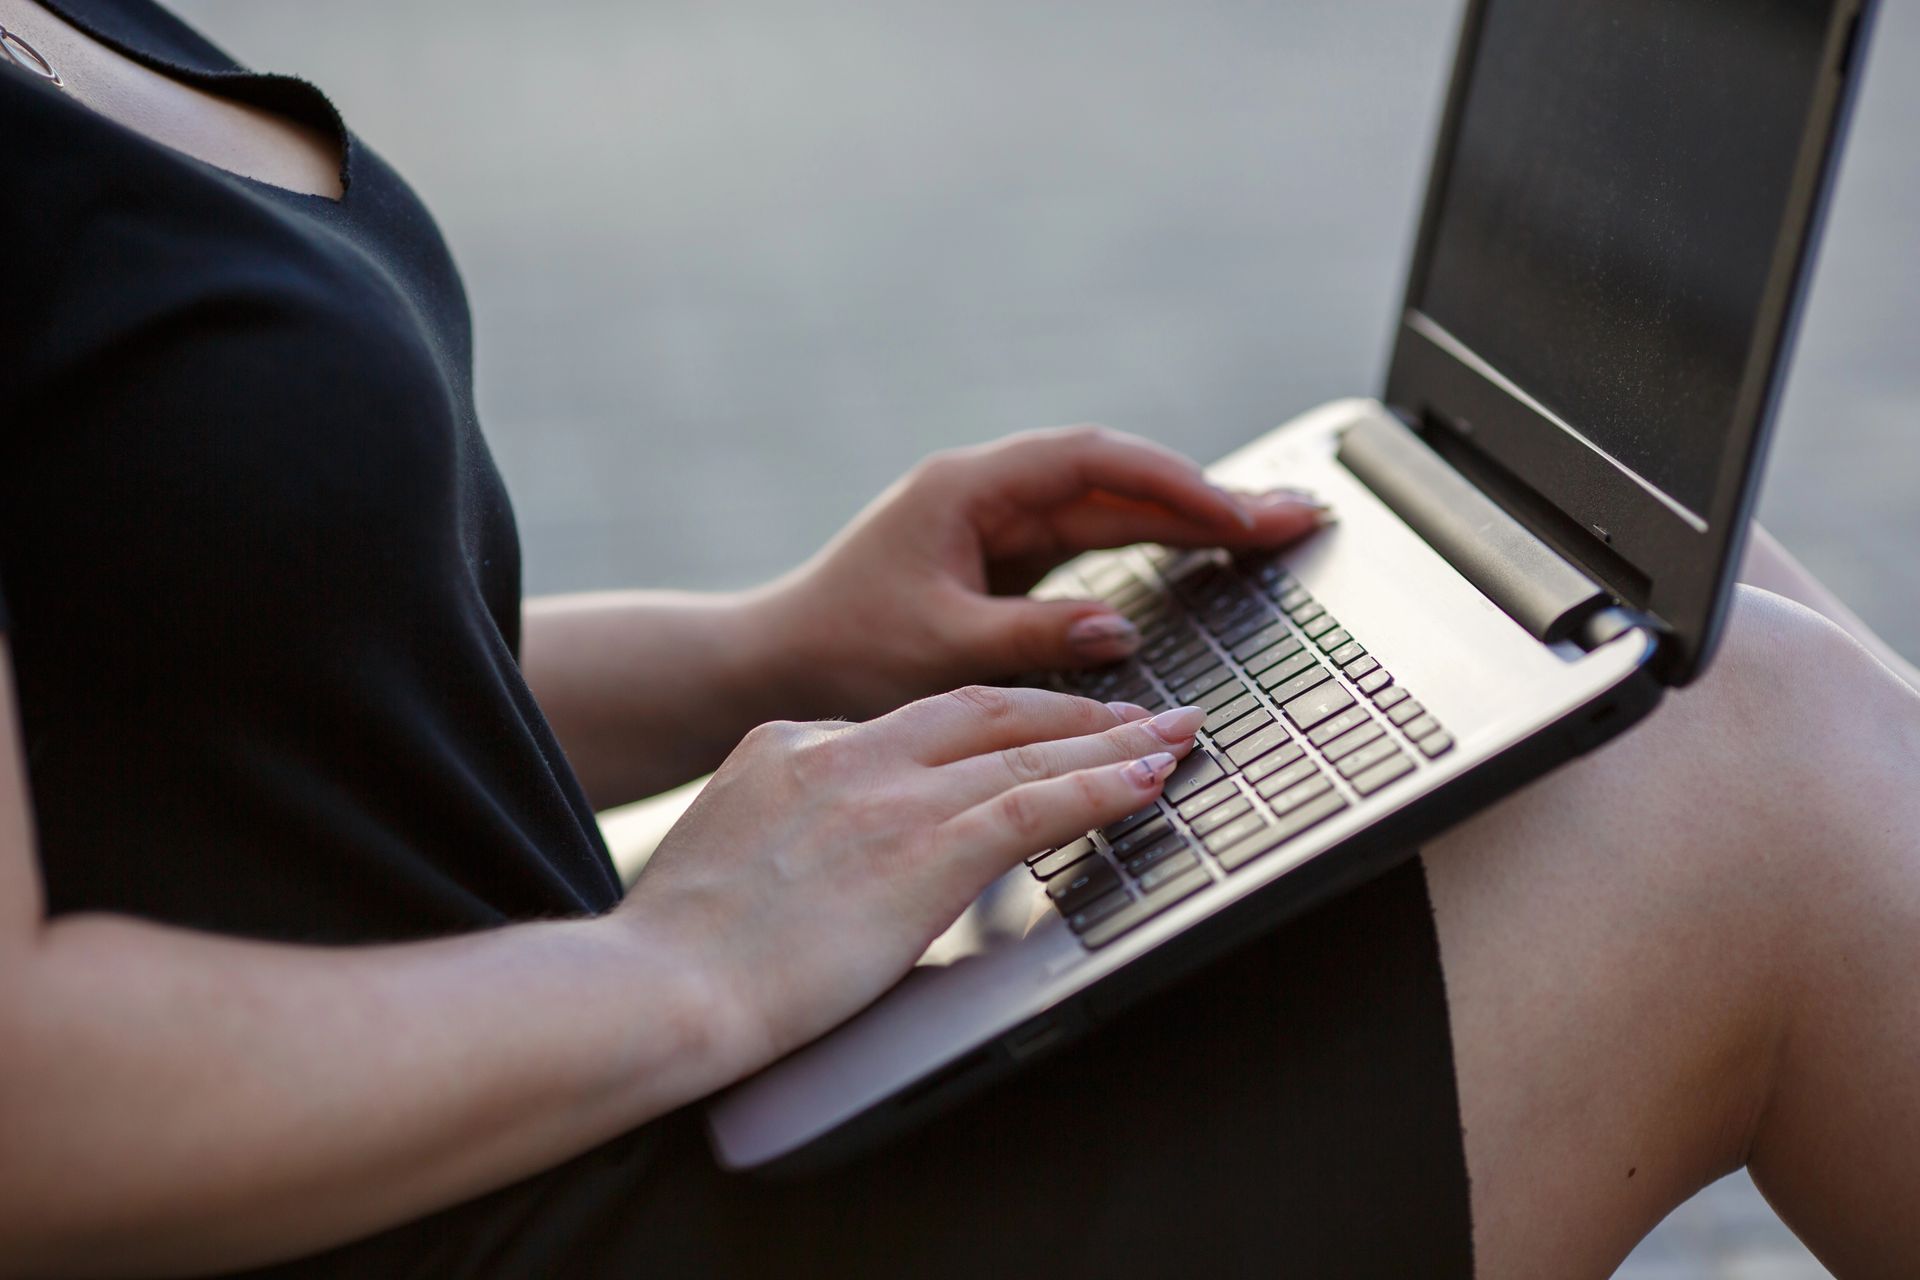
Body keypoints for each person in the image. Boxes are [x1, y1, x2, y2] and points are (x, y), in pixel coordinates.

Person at [1, 1, 1916, 1276]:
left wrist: (777, 649)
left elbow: (189, 711)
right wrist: (696, 966)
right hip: (495, 1193)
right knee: (1759, 789)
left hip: (553, 1102)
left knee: (1654, 624)